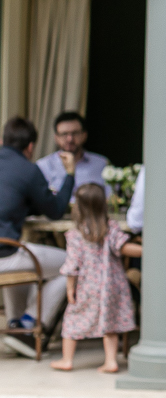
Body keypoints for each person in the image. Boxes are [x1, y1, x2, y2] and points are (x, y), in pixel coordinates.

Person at [0, 117, 74, 358]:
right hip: (5, 254)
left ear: (2, 140)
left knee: (24, 254)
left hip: (7, 250)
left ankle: (15, 326)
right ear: (30, 146)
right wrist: (70, 174)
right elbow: (56, 210)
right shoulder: (28, 170)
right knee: (71, 264)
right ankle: (30, 323)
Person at [50, 183, 141, 373]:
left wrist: (70, 289)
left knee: (72, 320)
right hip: (112, 285)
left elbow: (72, 265)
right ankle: (111, 361)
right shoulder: (111, 228)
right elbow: (124, 248)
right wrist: (148, 250)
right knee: (110, 323)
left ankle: (67, 360)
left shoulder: (76, 235)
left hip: (87, 286)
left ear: (78, 208)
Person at [37, 111, 109, 198]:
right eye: (64, 134)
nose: (70, 139)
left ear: (84, 135)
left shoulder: (101, 164)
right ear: (56, 137)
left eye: (75, 133)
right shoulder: (44, 166)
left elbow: (111, 198)